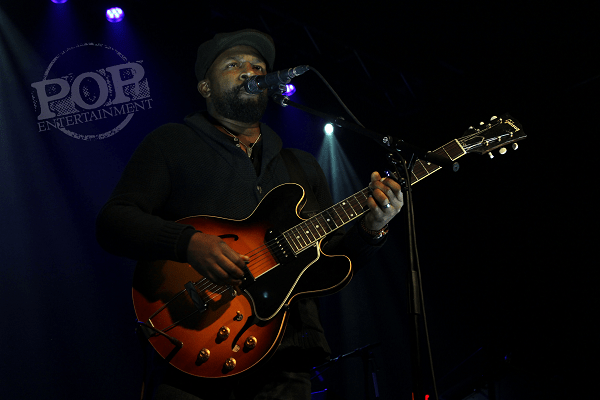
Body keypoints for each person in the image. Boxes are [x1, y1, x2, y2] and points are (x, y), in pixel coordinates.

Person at [96, 28, 403, 400]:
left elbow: (334, 260)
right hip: (194, 352)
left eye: (258, 66)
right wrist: (188, 243)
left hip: (287, 359)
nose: (250, 71)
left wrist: (372, 229)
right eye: (233, 64)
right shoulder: (171, 143)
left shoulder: (302, 165)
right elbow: (114, 222)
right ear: (205, 87)